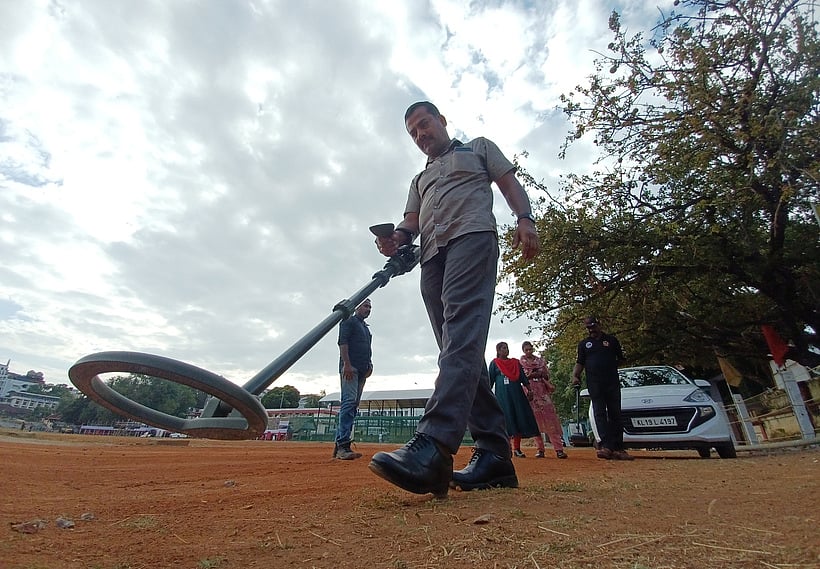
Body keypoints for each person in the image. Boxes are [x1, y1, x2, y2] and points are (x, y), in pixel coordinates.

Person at [369, 101, 540, 496]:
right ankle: (495, 456)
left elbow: (509, 184)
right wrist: (395, 239)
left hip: (472, 238)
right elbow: (411, 223)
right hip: (432, 256)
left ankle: (434, 444)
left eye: (424, 124)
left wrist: (525, 219)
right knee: (458, 349)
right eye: (413, 132)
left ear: (441, 121)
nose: (420, 135)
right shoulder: (419, 180)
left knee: (460, 338)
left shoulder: (478, 148)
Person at [571, 316, 633, 460]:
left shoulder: (611, 340)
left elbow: (621, 359)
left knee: (615, 413)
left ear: (599, 324)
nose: (591, 330)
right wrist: (575, 376)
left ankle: (618, 447)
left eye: (593, 326)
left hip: (611, 382)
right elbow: (580, 362)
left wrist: (608, 366)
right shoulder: (584, 344)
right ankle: (605, 446)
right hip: (594, 383)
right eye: (588, 328)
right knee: (599, 413)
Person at [333, 299, 373, 460]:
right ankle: (343, 445)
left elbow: (368, 349)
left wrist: (370, 365)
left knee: (353, 405)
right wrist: (347, 365)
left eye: (370, 307)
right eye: (365, 306)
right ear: (357, 307)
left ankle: (341, 446)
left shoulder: (365, 328)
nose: (368, 309)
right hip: (351, 369)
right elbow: (342, 343)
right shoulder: (349, 321)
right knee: (349, 403)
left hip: (362, 370)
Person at [488, 342, 544, 459]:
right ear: (498, 350)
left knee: (518, 419)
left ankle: (517, 449)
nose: (506, 350)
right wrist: (487, 397)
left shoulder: (515, 363)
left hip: (517, 396)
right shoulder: (494, 364)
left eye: (507, 348)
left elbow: (523, 378)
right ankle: (506, 449)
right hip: (503, 397)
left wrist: (530, 390)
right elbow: (490, 382)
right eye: (503, 348)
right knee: (506, 421)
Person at [520, 341, 568, 459]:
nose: (529, 351)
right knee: (535, 422)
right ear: (523, 351)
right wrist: (532, 375)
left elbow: (547, 375)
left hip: (542, 392)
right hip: (530, 393)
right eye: (526, 350)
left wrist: (540, 374)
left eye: (530, 349)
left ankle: (558, 449)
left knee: (550, 420)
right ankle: (540, 449)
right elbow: (522, 377)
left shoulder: (540, 361)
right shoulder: (521, 363)